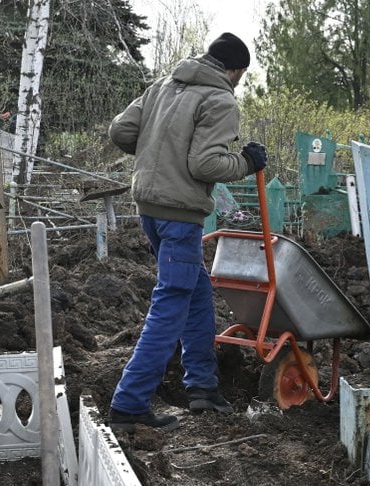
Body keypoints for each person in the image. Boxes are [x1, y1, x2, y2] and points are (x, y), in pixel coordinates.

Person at [106, 32, 267, 432]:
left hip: (149, 209)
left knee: (195, 289)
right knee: (170, 304)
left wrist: (158, 156)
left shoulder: (163, 85)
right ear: (235, 70)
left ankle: (202, 387)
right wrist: (246, 162)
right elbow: (206, 165)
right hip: (180, 216)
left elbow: (121, 133)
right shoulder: (220, 98)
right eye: (241, 76)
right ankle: (129, 403)